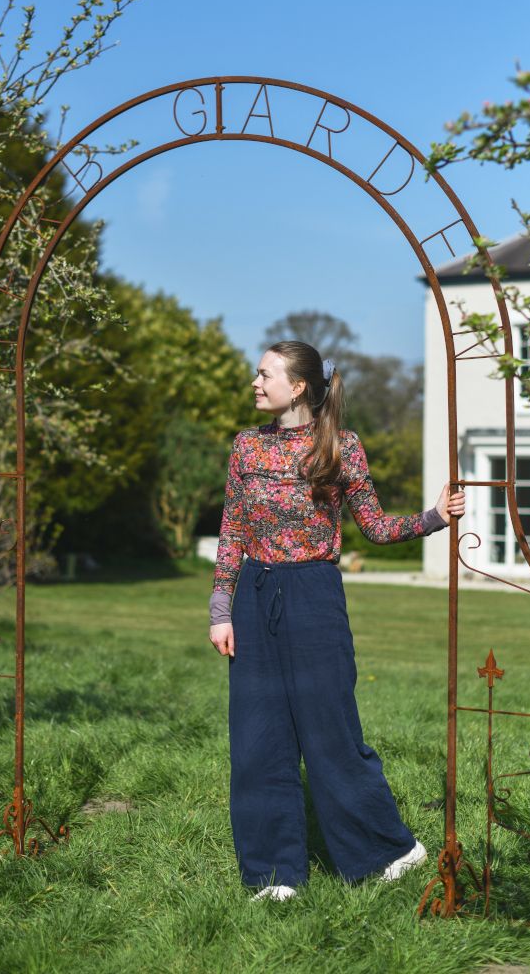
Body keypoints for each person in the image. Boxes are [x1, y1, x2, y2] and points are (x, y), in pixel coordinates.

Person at [207, 340, 465, 901]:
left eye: (264, 373)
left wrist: (434, 518)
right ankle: (275, 876)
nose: (254, 382)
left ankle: (386, 851)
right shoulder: (246, 447)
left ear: (297, 386)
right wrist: (221, 611)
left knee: (331, 734)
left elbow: (373, 526)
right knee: (257, 740)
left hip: (314, 596)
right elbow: (232, 529)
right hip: (254, 594)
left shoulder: (340, 448)